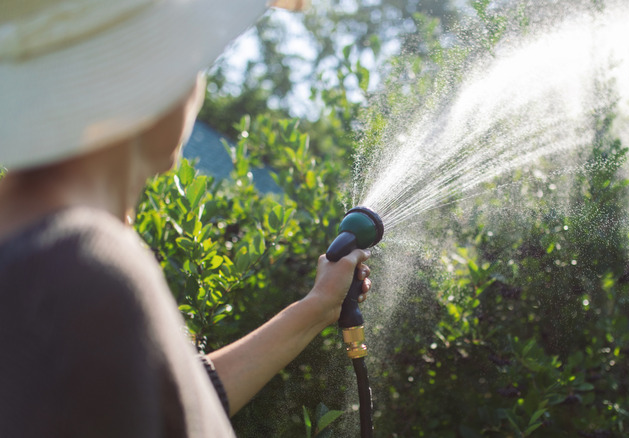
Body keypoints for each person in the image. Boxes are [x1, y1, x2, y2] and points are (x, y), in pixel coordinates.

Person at [0, 0, 371, 436]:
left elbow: (172, 407)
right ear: (152, 79)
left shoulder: (38, 251)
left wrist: (316, 308)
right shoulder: (84, 266)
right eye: (190, 63)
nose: (197, 86)